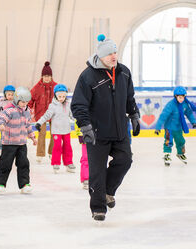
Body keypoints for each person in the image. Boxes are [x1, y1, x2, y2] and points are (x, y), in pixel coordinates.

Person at [71, 34, 140, 221]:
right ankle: (98, 207)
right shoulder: (88, 76)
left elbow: (129, 97)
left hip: (119, 131)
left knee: (125, 160)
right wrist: (85, 126)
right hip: (97, 133)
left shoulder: (124, 72)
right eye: (109, 53)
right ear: (101, 55)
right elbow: (78, 105)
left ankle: (108, 191)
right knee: (97, 172)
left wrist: (133, 114)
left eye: (115, 52)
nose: (114, 56)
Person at [0, 87, 37, 194]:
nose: (24, 104)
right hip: (9, 143)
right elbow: (0, 119)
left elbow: (28, 126)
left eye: (27, 102)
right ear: (17, 99)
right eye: (22, 102)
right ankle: (0, 184)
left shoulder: (27, 112)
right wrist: (1, 125)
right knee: (5, 164)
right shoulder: (9, 110)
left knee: (24, 164)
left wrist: (32, 137)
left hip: (22, 143)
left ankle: (24, 184)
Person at [35, 84, 75, 174]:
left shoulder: (68, 104)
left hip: (66, 130)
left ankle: (68, 163)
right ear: (55, 95)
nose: (62, 98)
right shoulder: (53, 106)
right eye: (59, 96)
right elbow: (46, 116)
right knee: (57, 147)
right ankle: (56, 163)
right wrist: (39, 123)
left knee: (68, 147)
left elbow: (72, 115)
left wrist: (79, 119)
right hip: (56, 131)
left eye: (64, 96)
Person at [154, 86, 196, 166]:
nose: (181, 99)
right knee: (168, 141)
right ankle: (167, 155)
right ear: (175, 96)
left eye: (182, 97)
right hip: (169, 127)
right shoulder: (171, 105)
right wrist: (158, 128)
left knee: (181, 141)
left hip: (178, 127)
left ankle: (180, 154)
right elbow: (163, 116)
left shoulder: (185, 105)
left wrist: (193, 122)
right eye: (179, 97)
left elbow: (189, 113)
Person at [28, 61, 57, 163]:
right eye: (45, 76)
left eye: (49, 76)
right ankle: (40, 154)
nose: (47, 78)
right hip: (41, 114)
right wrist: (28, 108)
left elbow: (62, 98)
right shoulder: (37, 87)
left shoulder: (56, 87)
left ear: (51, 77)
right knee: (42, 133)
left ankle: (52, 152)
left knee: (55, 133)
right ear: (42, 76)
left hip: (54, 114)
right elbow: (30, 99)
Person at [75, 122, 89, 190]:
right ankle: (86, 179)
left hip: (98, 135)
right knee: (86, 158)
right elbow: (78, 119)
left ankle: (98, 178)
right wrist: (80, 134)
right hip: (85, 135)